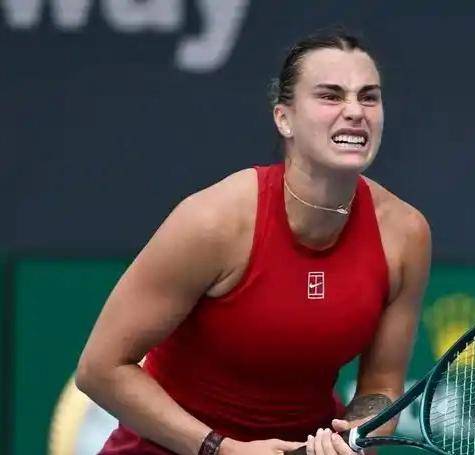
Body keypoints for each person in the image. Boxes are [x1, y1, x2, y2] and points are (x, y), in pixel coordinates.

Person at [76, 30, 431, 455]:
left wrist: (355, 437)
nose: (355, 111)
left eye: (369, 97)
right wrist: (220, 448)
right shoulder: (214, 221)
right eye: (330, 96)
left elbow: (382, 385)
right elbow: (100, 369)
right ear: (284, 118)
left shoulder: (404, 234)